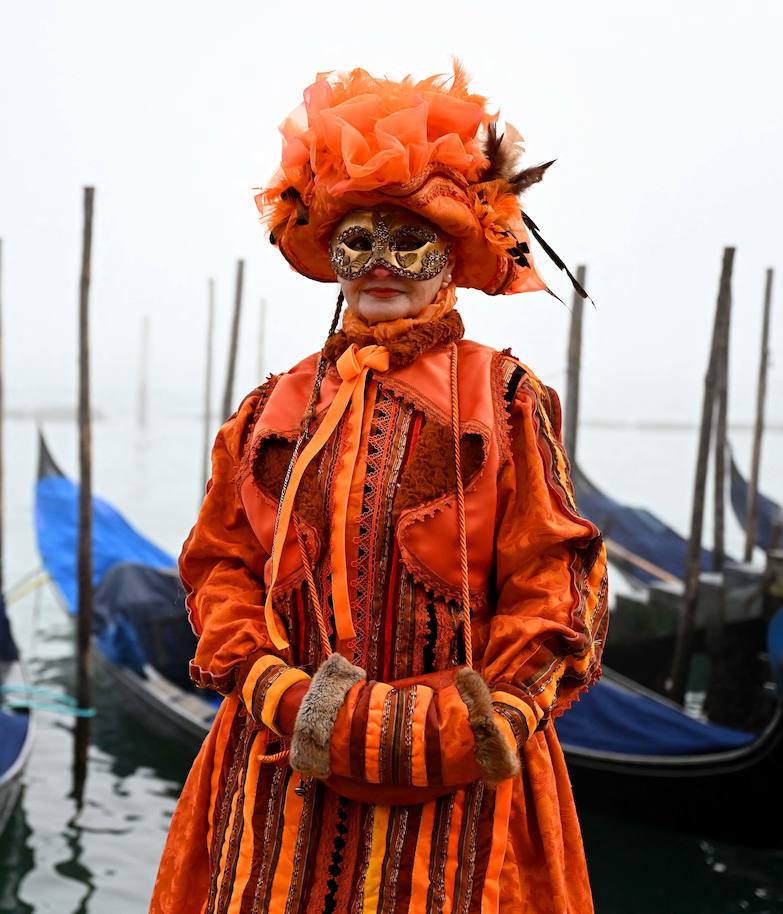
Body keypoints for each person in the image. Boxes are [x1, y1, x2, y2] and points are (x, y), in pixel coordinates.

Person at [149, 66, 608, 914]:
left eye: (411, 240)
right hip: (284, 779)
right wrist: (275, 691)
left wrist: (493, 715)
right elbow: (220, 570)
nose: (382, 264)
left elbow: (557, 581)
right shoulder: (269, 412)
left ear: (453, 258)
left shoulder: (506, 400)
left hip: (464, 782)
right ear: (330, 256)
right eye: (359, 239)